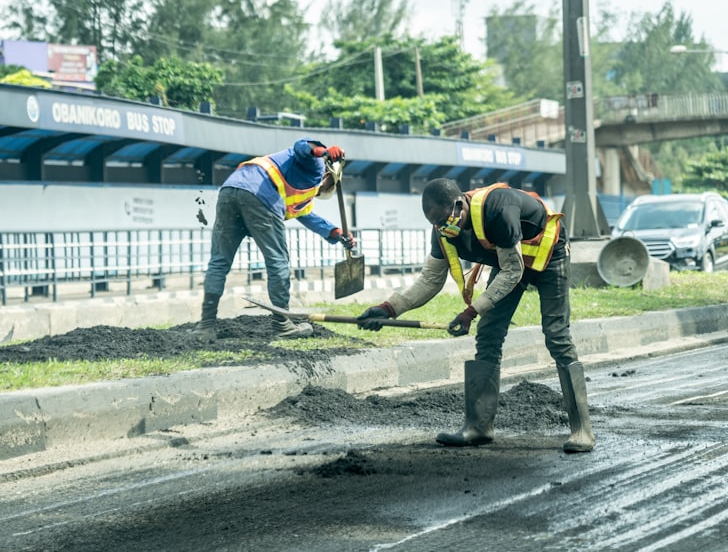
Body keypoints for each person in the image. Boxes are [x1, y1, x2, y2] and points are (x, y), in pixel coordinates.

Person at [355, 178, 595, 453]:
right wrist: (388, 309)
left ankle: (582, 430)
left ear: (459, 204)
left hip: (549, 256)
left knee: (556, 334)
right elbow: (430, 281)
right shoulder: (442, 231)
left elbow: (513, 272)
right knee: (489, 334)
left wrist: (471, 311)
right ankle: (478, 427)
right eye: (437, 224)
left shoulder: (498, 211)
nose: (444, 228)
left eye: (445, 220)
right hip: (509, 261)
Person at [192, 138, 355, 340]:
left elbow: (307, 216)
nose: (318, 192)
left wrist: (337, 233)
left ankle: (205, 326)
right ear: (328, 177)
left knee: (219, 261)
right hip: (260, 195)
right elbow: (302, 146)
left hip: (229, 190)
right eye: (323, 188)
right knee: (278, 261)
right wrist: (323, 153)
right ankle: (282, 325)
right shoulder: (316, 166)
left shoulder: (297, 187)